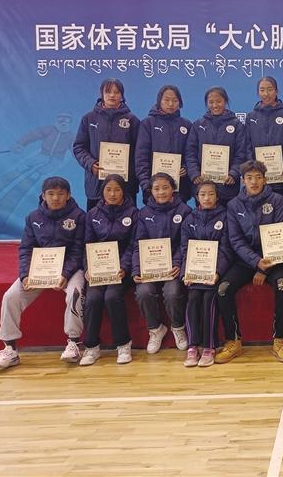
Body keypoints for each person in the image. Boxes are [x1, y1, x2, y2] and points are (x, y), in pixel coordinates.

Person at [0, 177, 86, 370]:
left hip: (70, 270)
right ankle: (10, 348)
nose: (56, 198)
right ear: (43, 196)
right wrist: (25, 275)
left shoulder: (79, 216)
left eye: (60, 194)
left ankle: (74, 343)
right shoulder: (33, 218)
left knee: (75, 294)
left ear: (68, 195)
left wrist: (65, 274)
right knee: (10, 296)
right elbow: (26, 249)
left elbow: (78, 251)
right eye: (51, 194)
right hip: (39, 270)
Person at [226, 161, 283, 363]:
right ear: (243, 180)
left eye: (258, 177)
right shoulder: (233, 205)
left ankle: (280, 340)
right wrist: (256, 261)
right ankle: (233, 341)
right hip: (245, 261)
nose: (254, 182)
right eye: (249, 178)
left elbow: (279, 234)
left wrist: (264, 269)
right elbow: (235, 240)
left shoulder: (277, 200)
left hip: (274, 260)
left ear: (265, 180)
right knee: (223, 289)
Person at [80, 174, 138, 366]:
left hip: (122, 269)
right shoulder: (92, 215)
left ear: (124, 192)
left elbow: (133, 245)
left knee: (112, 296)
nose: (112, 194)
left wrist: (124, 267)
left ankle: (123, 344)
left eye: (117, 190)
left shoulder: (133, 213)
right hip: (98, 269)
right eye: (108, 189)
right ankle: (91, 347)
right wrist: (88, 268)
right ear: (102, 191)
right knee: (93, 298)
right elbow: (87, 244)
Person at [131, 172, 191, 354]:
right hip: (150, 267)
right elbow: (138, 244)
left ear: (173, 189)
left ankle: (178, 327)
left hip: (174, 267)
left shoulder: (184, 211)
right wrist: (137, 270)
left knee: (172, 292)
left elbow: (185, 243)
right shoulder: (144, 213)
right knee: (143, 292)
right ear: (151, 191)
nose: (161, 192)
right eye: (156, 188)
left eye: (165, 187)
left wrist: (178, 264)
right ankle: (156, 329)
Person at [180, 181, 233, 367]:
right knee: (193, 297)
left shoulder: (225, 217)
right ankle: (192, 346)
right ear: (197, 197)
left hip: (216, 272)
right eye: (202, 194)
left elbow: (226, 249)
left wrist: (217, 272)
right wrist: (185, 273)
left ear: (217, 197)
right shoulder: (189, 220)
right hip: (195, 273)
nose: (207, 198)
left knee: (209, 298)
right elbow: (185, 249)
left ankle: (209, 346)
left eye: (211, 194)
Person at [73, 78, 140, 211]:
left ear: (122, 95)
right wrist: (91, 164)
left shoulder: (132, 120)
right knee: (95, 220)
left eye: (116, 92)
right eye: (108, 92)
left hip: (125, 186)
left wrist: (130, 172)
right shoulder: (89, 119)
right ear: (102, 94)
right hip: (96, 184)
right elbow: (79, 147)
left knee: (128, 221)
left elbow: (140, 152)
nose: (112, 95)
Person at [186, 86, 247, 205]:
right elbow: (190, 153)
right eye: (211, 102)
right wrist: (195, 174)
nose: (215, 105)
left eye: (219, 101)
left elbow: (241, 153)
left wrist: (233, 174)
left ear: (225, 101)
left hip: (227, 187)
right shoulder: (198, 125)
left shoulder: (237, 125)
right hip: (203, 187)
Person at [134, 84, 192, 204]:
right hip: (153, 190)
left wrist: (186, 168)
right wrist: (146, 185)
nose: (171, 104)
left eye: (175, 100)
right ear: (159, 101)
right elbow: (141, 157)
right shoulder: (147, 124)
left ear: (180, 103)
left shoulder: (186, 125)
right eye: (166, 100)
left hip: (179, 189)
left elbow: (191, 154)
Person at [244, 76, 283, 198]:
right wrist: (252, 168)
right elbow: (247, 145)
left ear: (276, 91)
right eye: (262, 90)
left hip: (282, 179)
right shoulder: (251, 117)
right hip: (258, 179)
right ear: (258, 92)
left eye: (270, 89)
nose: (266, 94)